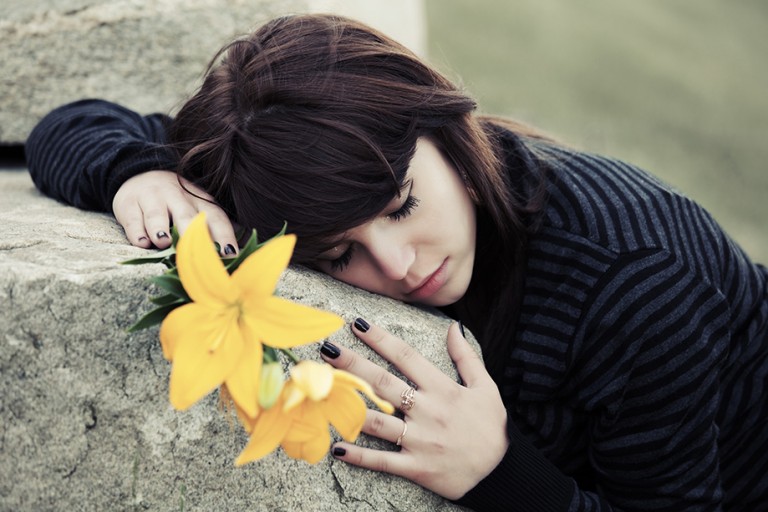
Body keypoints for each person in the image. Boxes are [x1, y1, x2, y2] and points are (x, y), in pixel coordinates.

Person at [25, 13, 768, 511]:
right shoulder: (304, 178)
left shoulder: (636, 279)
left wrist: (500, 473)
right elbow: (67, 126)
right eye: (339, 253)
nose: (397, 265)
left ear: (443, 123)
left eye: (402, 205)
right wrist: (138, 174)